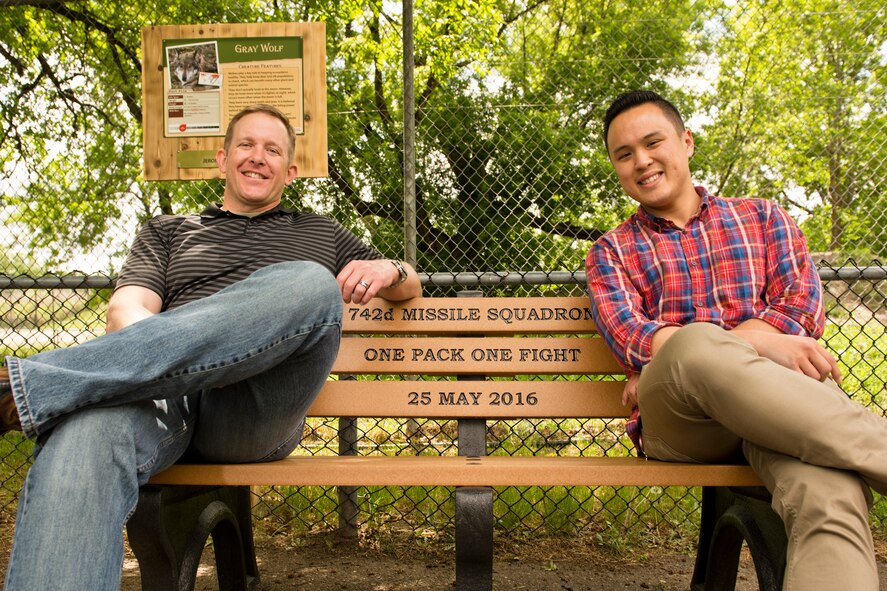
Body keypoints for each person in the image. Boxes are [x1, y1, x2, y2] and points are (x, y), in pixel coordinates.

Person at [0, 104, 421, 590]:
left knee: (310, 283)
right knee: (87, 429)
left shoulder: (320, 233)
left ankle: (25, 386)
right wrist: (184, 358)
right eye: (246, 145)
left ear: (290, 171)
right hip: (166, 395)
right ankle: (34, 391)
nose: (257, 157)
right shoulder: (167, 231)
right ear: (223, 160)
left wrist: (391, 268)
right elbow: (125, 312)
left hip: (256, 405)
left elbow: (409, 288)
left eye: (272, 150)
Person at [586, 90, 887, 590]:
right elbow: (634, 337)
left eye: (653, 142)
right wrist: (763, 344)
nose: (641, 161)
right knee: (692, 347)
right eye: (624, 154)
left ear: (686, 142)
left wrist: (722, 345)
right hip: (685, 422)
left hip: (781, 413)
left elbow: (801, 306)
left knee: (828, 491)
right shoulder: (611, 251)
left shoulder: (764, 217)